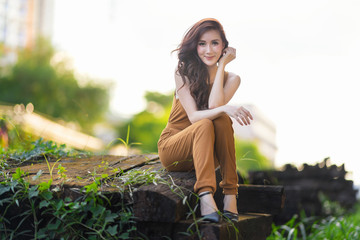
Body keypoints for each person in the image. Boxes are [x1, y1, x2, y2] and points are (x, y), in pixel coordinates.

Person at [157, 18, 253, 223]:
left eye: (214, 43)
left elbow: (213, 106)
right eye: (202, 44)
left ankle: (230, 194)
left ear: (224, 47)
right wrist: (226, 108)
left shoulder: (232, 78)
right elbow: (195, 116)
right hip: (175, 148)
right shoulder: (183, 72)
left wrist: (221, 67)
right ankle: (205, 195)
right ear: (195, 47)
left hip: (207, 152)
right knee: (208, 121)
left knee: (221, 121)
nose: (208, 50)